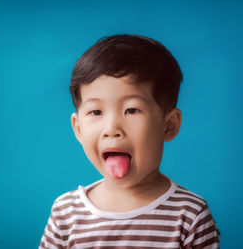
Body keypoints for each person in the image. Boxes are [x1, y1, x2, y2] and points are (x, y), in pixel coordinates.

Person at [39, 34, 220, 248]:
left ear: (169, 125)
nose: (112, 129)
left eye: (131, 110)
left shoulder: (190, 215)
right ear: (78, 128)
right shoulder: (66, 213)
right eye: (96, 111)